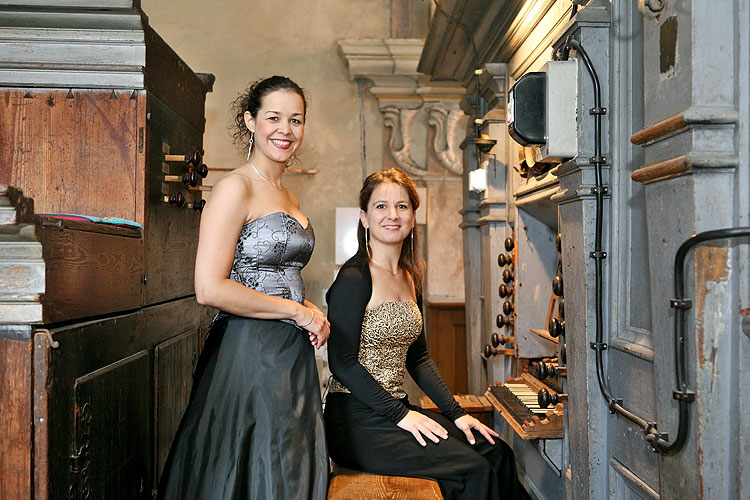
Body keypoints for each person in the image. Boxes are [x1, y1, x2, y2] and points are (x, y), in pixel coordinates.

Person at [157, 76, 330, 500]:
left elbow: (272, 274)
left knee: (289, 468)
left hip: (291, 352)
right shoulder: (235, 187)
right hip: (249, 349)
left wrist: (309, 308)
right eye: (273, 118)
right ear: (250, 121)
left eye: (296, 120)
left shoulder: (288, 195)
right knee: (255, 469)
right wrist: (297, 312)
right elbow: (210, 288)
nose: (285, 130)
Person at [324, 167, 521, 500]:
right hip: (356, 422)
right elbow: (342, 363)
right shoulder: (354, 278)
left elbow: (420, 357)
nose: (392, 215)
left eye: (402, 206)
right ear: (364, 217)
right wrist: (402, 415)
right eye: (381, 206)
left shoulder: (410, 276)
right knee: (473, 472)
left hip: (397, 409)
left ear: (414, 218)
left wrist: (457, 415)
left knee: (497, 452)